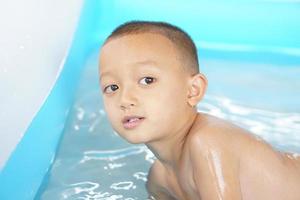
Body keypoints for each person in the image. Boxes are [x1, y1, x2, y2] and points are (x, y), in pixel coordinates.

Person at [98, 20, 300, 200]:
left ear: (193, 90)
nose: (124, 99)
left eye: (147, 80)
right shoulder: (159, 180)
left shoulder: (208, 143)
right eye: (112, 87)